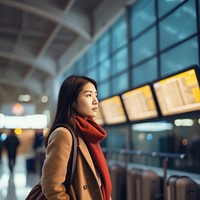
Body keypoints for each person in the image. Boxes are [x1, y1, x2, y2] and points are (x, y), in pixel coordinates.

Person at [41, 75, 112, 200]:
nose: (95, 101)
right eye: (89, 95)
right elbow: (51, 186)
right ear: (73, 101)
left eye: (96, 95)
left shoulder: (87, 133)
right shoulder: (63, 134)